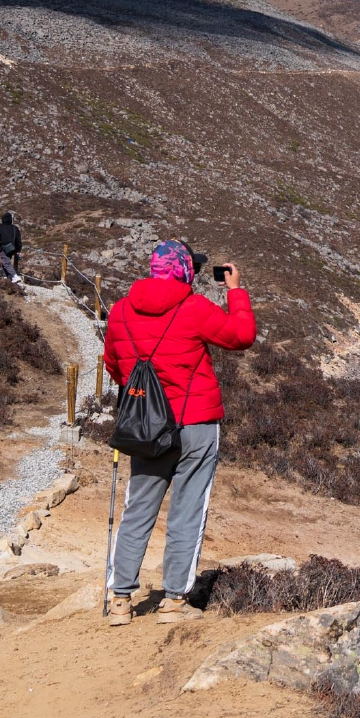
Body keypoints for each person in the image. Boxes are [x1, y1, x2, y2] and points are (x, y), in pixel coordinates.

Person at [102, 241, 256, 626]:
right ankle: (173, 601)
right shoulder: (194, 307)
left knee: (138, 509)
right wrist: (235, 290)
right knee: (187, 510)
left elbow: (115, 366)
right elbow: (241, 336)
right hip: (195, 424)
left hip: (145, 428)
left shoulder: (120, 311)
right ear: (184, 270)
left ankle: (120, 600)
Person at [0, 212, 23, 284]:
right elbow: (18, 240)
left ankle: (14, 276)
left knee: (6, 263)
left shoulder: (0, 227)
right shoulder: (15, 228)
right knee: (5, 262)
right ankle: (7, 277)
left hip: (3, 248)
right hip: (13, 249)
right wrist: (18, 250)